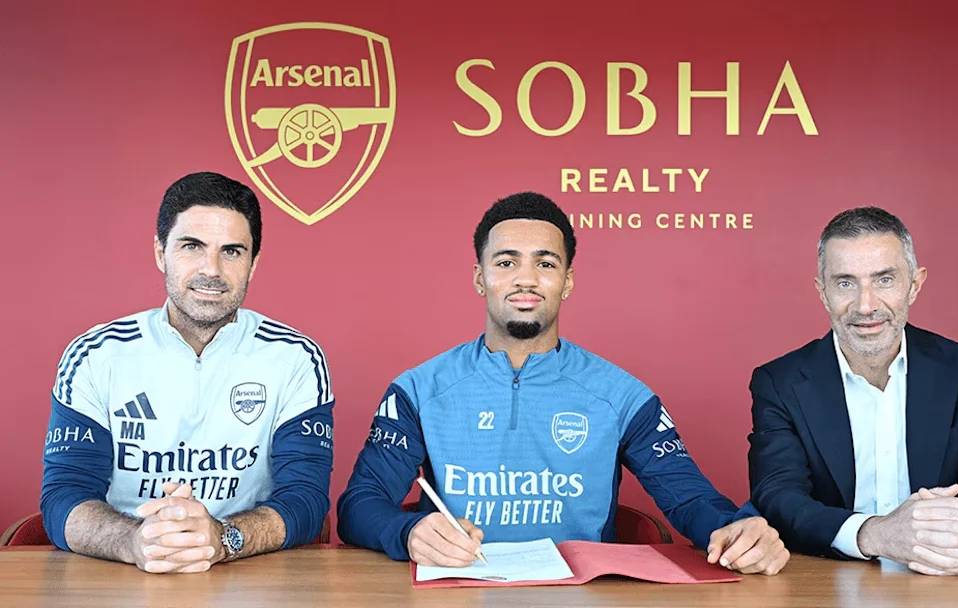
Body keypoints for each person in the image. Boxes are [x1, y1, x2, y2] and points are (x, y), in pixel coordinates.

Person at [338, 192, 789, 575]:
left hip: (581, 596)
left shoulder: (622, 396)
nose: (526, 279)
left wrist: (739, 531)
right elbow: (359, 505)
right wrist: (408, 532)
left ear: (567, 281)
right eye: (506, 262)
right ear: (480, 278)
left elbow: (690, 500)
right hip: (458, 593)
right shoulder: (419, 390)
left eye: (546, 263)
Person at [40, 172, 334, 573]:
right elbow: (64, 496)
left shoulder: (296, 358)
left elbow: (306, 500)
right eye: (192, 246)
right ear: (161, 252)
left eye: (232, 251)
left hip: (248, 573)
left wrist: (222, 539)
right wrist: (134, 541)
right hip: (123, 572)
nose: (211, 269)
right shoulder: (95, 355)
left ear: (253, 264)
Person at [748, 206, 958, 575]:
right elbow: (778, 499)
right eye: (845, 283)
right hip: (826, 583)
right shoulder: (779, 382)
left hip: (942, 583)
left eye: (884, 280)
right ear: (822, 292)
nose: (866, 305)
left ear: (915, 284)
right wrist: (875, 534)